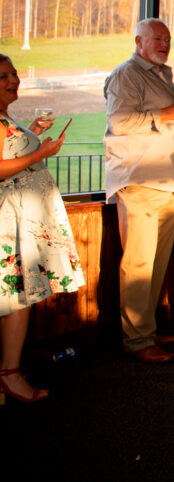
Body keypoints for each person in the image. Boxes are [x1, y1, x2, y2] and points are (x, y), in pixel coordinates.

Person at [104, 18, 174, 363]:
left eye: (168, 39)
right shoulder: (126, 74)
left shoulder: (163, 76)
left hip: (170, 182)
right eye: (157, 38)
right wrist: (168, 112)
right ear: (138, 41)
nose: (164, 44)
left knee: (156, 263)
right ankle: (138, 340)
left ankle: (147, 330)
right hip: (140, 180)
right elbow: (119, 121)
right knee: (139, 264)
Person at [0, 54, 83, 402]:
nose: (13, 79)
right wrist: (39, 153)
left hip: (25, 217)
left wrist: (31, 134)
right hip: (10, 221)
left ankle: (9, 371)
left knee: (20, 297)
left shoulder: (7, 119)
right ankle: (9, 374)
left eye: (14, 73)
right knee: (17, 297)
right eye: (3, 76)